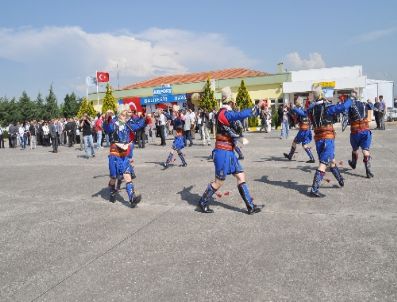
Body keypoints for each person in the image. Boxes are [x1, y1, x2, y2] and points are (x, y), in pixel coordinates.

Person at [198, 86, 264, 215]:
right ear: (231, 101)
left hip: (230, 151)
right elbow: (239, 115)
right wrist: (256, 106)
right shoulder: (223, 113)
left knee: (240, 176)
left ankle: (250, 206)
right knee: (219, 182)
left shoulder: (225, 112)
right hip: (222, 151)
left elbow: (237, 120)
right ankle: (203, 201)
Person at [307, 85, 352, 197]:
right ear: (322, 95)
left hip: (318, 139)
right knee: (323, 163)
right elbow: (343, 107)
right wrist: (351, 99)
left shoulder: (311, 109)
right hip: (327, 138)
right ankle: (314, 189)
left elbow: (305, 112)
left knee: (332, 161)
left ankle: (340, 179)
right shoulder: (327, 107)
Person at [103, 109, 145, 207]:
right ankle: (112, 191)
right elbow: (106, 127)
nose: (125, 116)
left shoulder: (127, 125)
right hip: (114, 155)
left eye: (126, 115)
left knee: (127, 176)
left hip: (124, 156)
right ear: (119, 115)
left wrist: (143, 117)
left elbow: (138, 125)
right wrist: (107, 117)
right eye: (123, 114)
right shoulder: (113, 124)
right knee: (114, 177)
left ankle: (132, 198)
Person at [346, 91, 375, 178]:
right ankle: (368, 171)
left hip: (355, 132)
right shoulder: (364, 104)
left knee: (355, 149)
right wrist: (369, 102)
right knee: (365, 151)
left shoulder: (349, 106)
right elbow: (372, 107)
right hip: (365, 131)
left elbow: (347, 117)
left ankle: (353, 164)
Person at [283, 97, 315, 163]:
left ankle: (290, 156)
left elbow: (301, 113)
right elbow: (295, 116)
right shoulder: (302, 108)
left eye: (296, 101)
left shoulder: (302, 109)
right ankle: (312, 158)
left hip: (304, 130)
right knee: (304, 144)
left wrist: (292, 108)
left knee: (294, 142)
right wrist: (289, 110)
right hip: (306, 129)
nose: (295, 102)